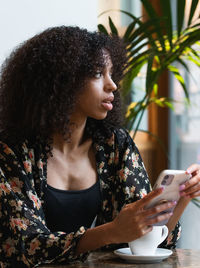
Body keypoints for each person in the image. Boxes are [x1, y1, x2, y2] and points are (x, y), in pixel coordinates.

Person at [0, 26, 200, 268]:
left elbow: (146, 238)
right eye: (98, 74)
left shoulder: (115, 145)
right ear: (61, 81)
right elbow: (23, 245)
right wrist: (111, 232)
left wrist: (183, 197)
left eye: (111, 74)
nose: (112, 85)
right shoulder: (11, 151)